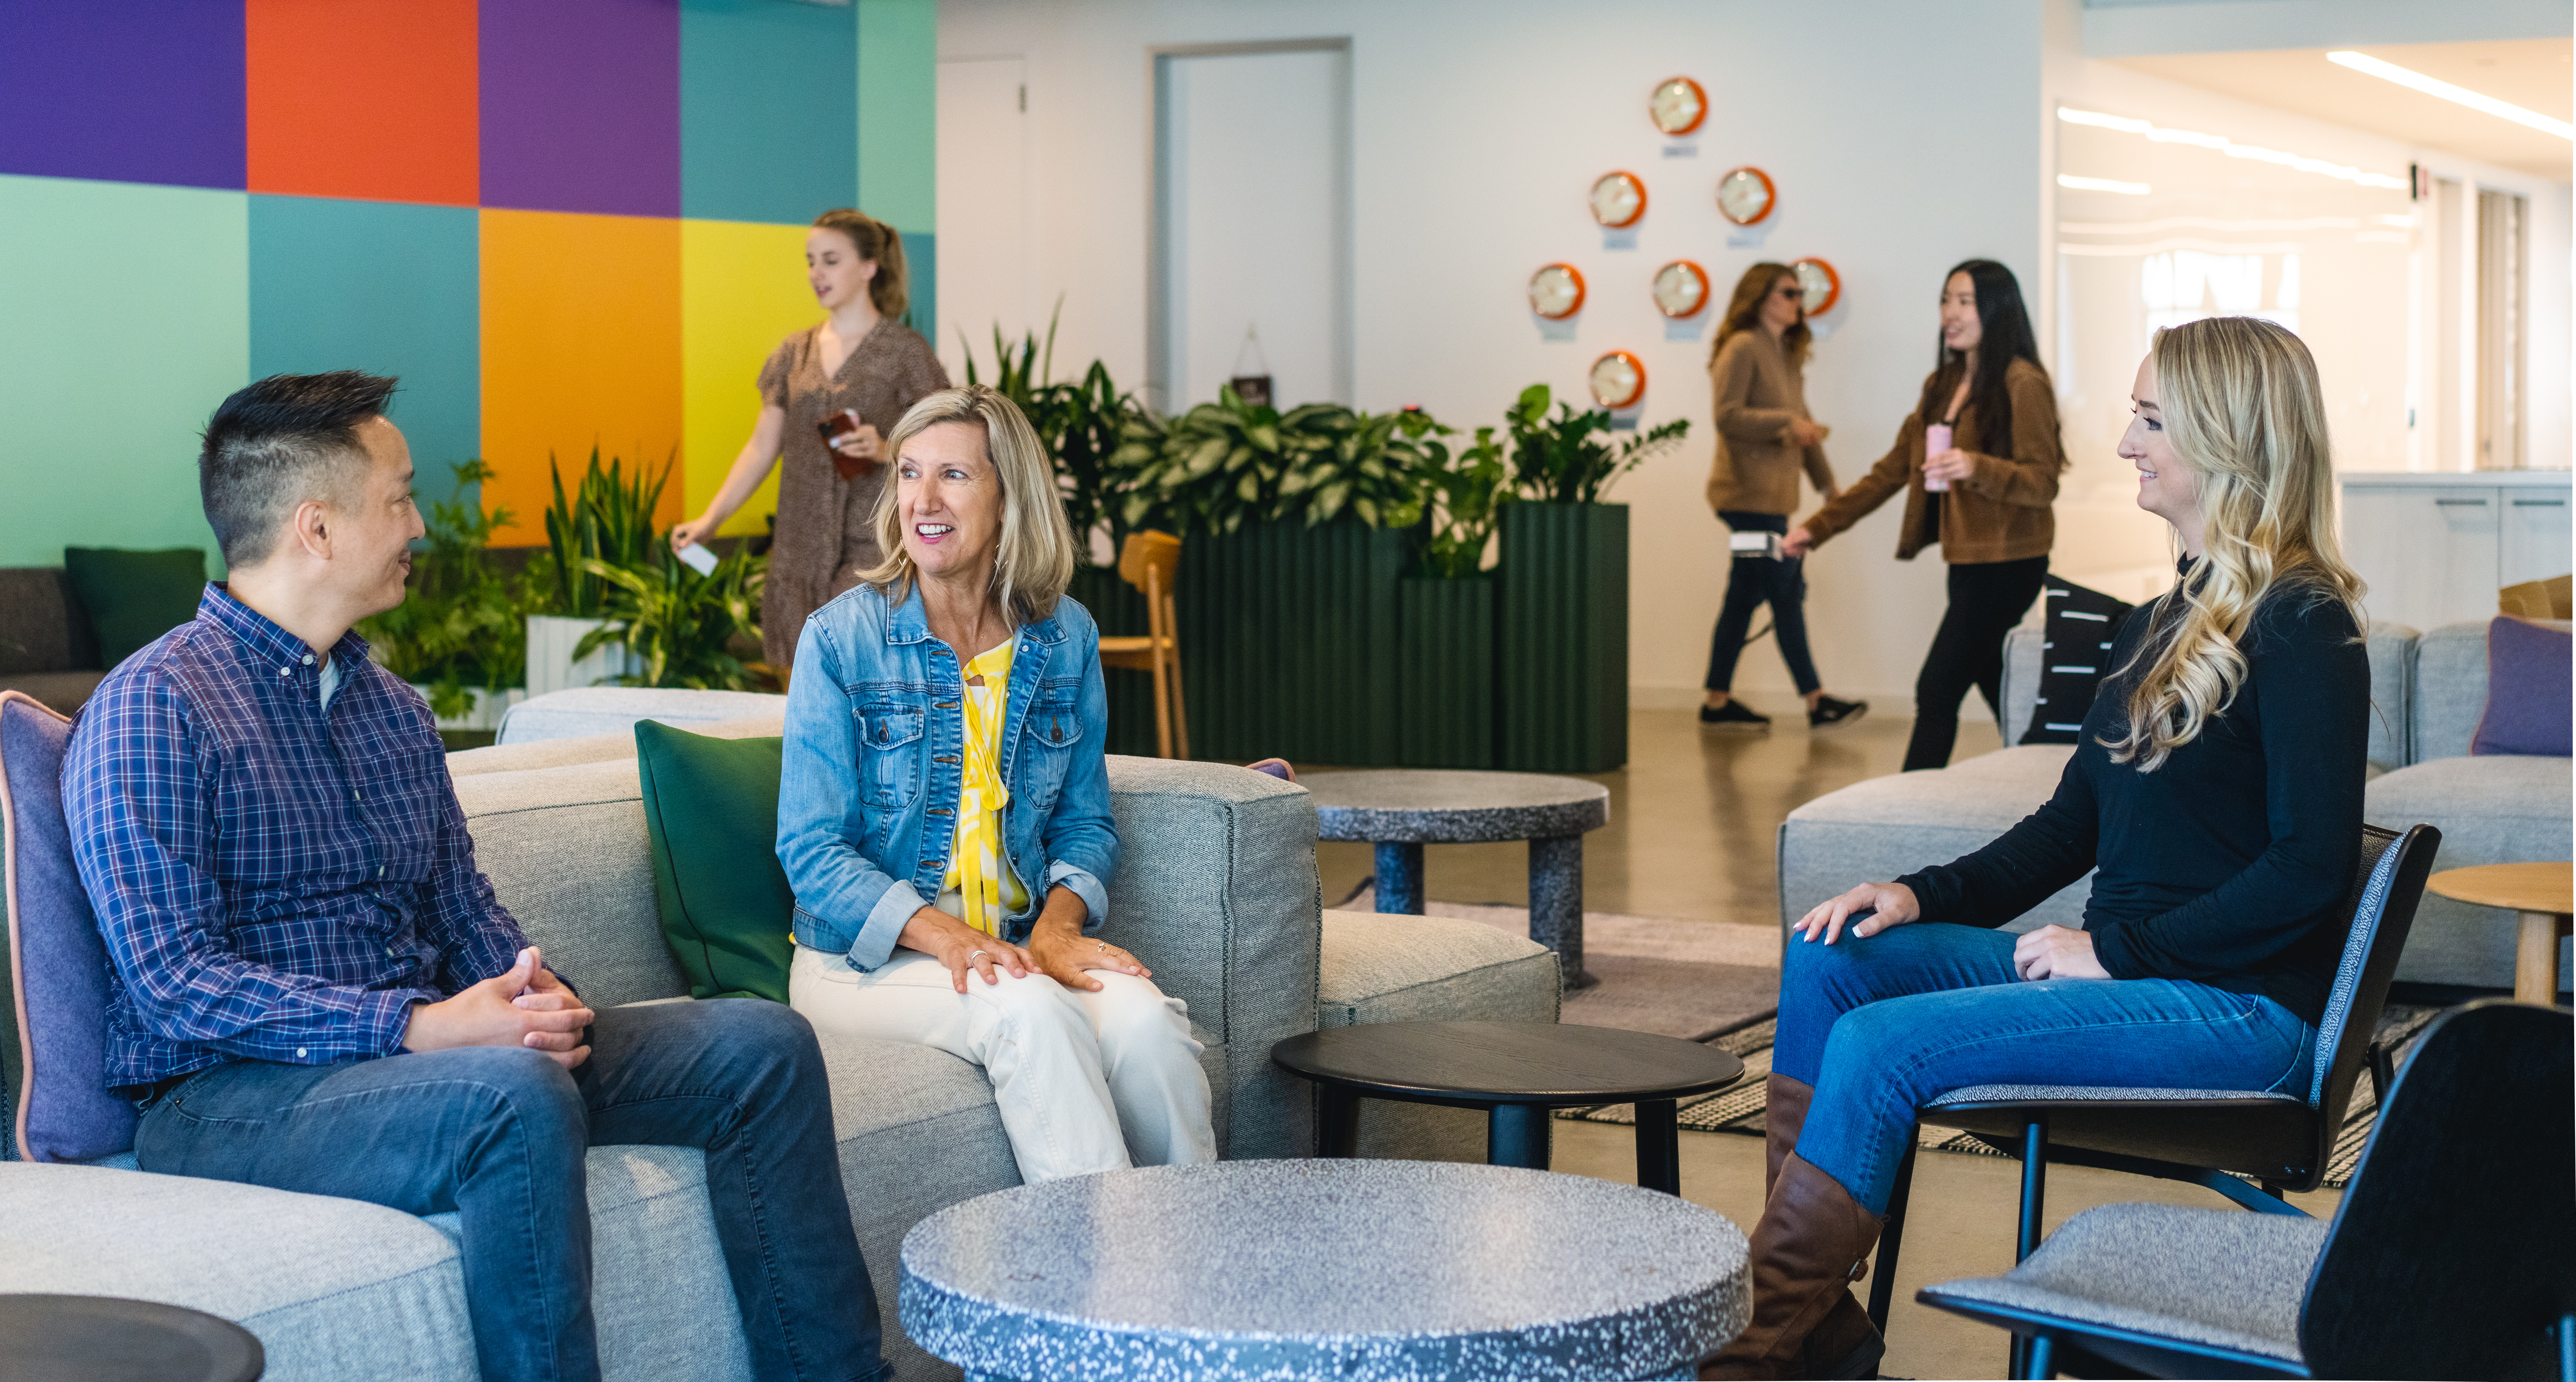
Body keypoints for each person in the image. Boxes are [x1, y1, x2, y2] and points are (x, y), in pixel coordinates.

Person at [65, 373, 886, 1382]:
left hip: (421, 1055)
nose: (419, 523)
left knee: (759, 1045)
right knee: (509, 1094)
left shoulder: (392, 710)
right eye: (399, 498)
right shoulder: (154, 706)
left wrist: (541, 996)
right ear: (316, 529)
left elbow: (463, 910)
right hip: (228, 1095)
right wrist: (416, 1028)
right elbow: (172, 978)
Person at [1706, 318, 2366, 1380]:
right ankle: (1812, 1324)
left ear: (2226, 437)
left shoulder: (2303, 626)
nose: (2122, 443)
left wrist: (2116, 953)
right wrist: (1916, 894)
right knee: (1831, 954)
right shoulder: (2153, 620)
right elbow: (2069, 827)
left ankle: (1747, 1351)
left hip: (2237, 1011)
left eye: (2149, 419)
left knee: (1884, 1048)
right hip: (2141, 971)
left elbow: (2307, 868)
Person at [777, 385, 1216, 1184]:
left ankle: (1193, 1273)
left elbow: (1085, 823)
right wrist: (946, 936)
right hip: (863, 966)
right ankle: (1104, 1298)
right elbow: (811, 851)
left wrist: (1055, 929)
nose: (924, 499)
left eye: (954, 475)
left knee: (1148, 1028)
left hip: (1013, 949)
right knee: (1032, 1013)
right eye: (909, 473)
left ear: (1009, 497)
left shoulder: (1063, 637)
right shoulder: (840, 641)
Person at [1783, 259, 2063, 770]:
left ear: (1997, 310)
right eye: (1945, 300)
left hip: (2011, 563)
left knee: (1936, 687)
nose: (1950, 314)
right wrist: (1815, 529)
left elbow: (2043, 482)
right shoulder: (1943, 384)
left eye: (1965, 301)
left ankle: (1906, 803)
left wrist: (1974, 465)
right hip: (1967, 561)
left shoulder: (2023, 383)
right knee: (1989, 676)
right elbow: (1892, 472)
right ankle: (2050, 777)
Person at [671, 208, 950, 674]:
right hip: (800, 544)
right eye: (810, 261)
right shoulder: (792, 354)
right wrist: (711, 520)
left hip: (874, 543)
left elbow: (948, 440)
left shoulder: (906, 353)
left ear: (869, 268)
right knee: (801, 681)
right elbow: (761, 449)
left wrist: (886, 449)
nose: (816, 273)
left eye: (830, 260)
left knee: (865, 672)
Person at [1701, 263, 1867, 732]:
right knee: (1786, 591)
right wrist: (1785, 424)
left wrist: (1830, 488)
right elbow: (1726, 416)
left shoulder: (1785, 354)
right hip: (1745, 499)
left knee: (1744, 597)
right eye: (1789, 293)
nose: (1798, 302)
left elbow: (1805, 427)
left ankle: (1716, 701)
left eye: (1800, 294)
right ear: (1761, 297)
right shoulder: (1743, 347)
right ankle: (1817, 701)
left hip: (1773, 500)